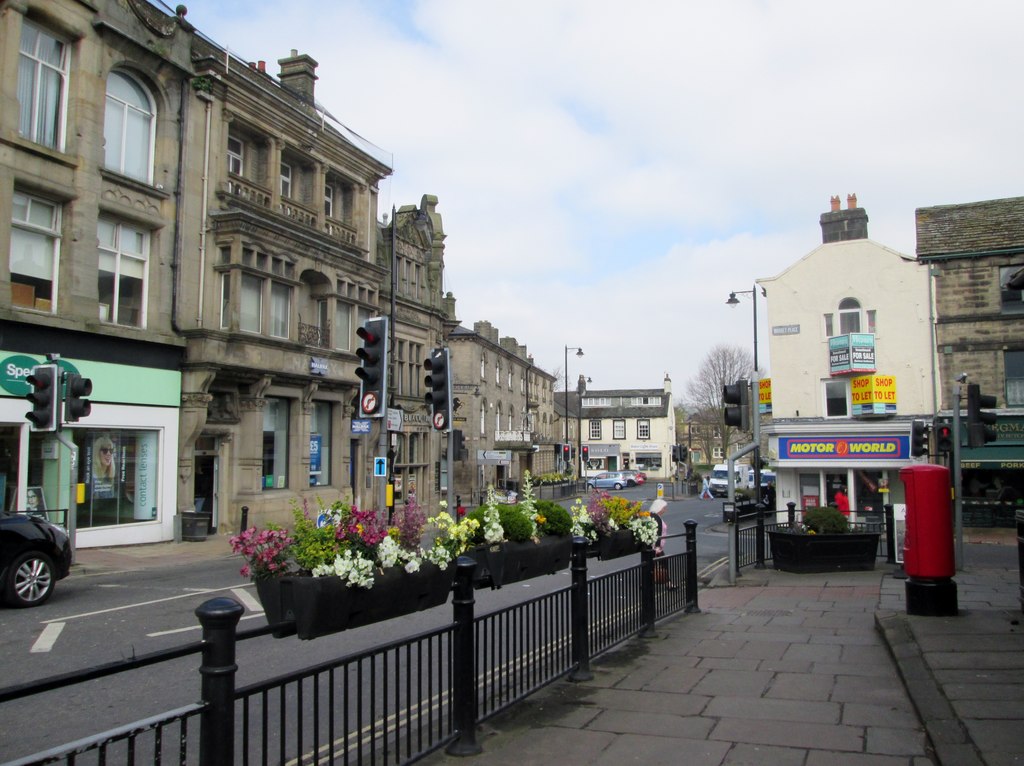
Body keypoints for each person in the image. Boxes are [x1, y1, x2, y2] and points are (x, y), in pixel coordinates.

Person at [649, 499, 678, 591]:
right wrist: (657, 547)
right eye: (664, 508)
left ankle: (647, 584)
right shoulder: (656, 517)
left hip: (655, 547)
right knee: (662, 563)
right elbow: (657, 533)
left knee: (652, 565)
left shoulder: (654, 515)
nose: (665, 510)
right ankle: (668, 584)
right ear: (659, 508)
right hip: (655, 547)